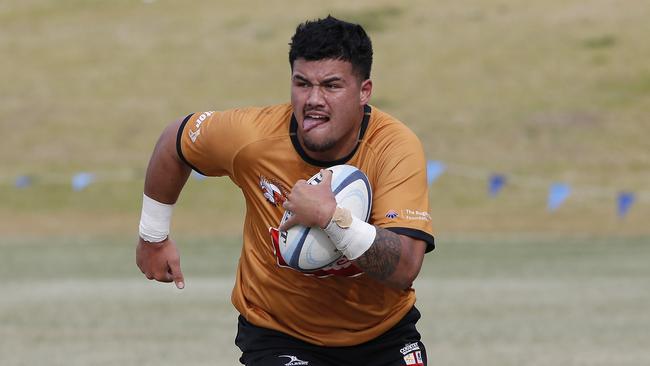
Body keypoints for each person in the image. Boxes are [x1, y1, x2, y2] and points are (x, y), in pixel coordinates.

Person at [136, 15, 435, 366]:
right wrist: (153, 236)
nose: (314, 99)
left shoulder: (394, 148)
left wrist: (329, 218)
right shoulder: (253, 137)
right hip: (280, 335)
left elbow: (404, 267)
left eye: (332, 86)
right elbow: (175, 141)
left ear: (363, 92)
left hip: (383, 335)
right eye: (302, 83)